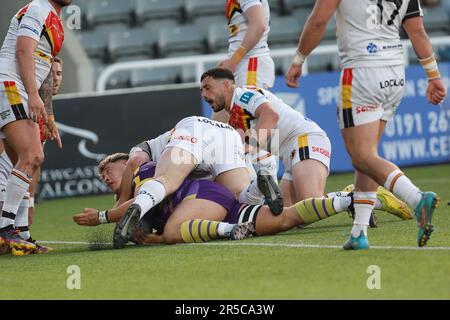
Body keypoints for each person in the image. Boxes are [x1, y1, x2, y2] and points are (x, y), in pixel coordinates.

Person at [285, 0, 446, 249]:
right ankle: (359, 232)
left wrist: (298, 59)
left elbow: (318, 20)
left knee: (361, 158)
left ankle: (416, 199)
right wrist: (433, 76)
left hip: (361, 73)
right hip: (395, 73)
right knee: (369, 156)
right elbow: (418, 32)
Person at [74, 154, 356, 246]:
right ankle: (350, 200)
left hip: (206, 195)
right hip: (218, 205)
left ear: (128, 162)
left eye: (109, 171)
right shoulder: (136, 196)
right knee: (286, 219)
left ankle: (232, 230)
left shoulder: (145, 170)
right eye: (103, 178)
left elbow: (143, 201)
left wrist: (99, 217)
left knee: (173, 231)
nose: (107, 178)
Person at [112, 115, 283, 248]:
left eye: (108, 171)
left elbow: (134, 161)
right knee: (238, 197)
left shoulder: (141, 152)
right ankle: (262, 180)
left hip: (193, 130)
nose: (106, 178)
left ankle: (139, 207)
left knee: (165, 181)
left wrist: (120, 203)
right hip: (227, 134)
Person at [0, 0, 71, 251]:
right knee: (32, 155)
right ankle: (6, 229)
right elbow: (22, 51)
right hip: (10, 84)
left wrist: (49, 117)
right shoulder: (38, 8)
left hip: (19, 88)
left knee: (24, 161)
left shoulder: (57, 20)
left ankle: (20, 232)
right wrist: (31, 94)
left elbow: (47, 71)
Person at [214, 0, 274, 124]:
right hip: (242, 63)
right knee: (219, 127)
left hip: (251, 64)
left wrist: (233, 61)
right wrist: (231, 60)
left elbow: (258, 25)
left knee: (252, 127)